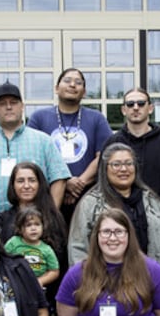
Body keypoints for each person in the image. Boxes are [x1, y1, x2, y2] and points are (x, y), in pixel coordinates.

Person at [0, 162, 69, 316]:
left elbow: (60, 261)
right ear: (12, 185)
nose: (26, 185)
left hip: (47, 298)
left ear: (40, 184)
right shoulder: (2, 218)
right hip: (11, 300)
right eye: (20, 180)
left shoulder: (53, 218)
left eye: (32, 180)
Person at [68, 142, 160, 284]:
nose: (123, 169)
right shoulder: (90, 204)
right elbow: (78, 249)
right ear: (105, 168)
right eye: (116, 164)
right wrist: (92, 287)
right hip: (107, 289)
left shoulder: (152, 201)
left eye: (128, 163)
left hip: (151, 285)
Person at [0, 81, 71, 213]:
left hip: (33, 226)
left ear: (22, 106)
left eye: (13, 102)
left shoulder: (43, 141)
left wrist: (49, 216)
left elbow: (59, 178)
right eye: (2, 104)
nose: (8, 107)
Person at [27, 68, 113, 218]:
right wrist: (63, 182)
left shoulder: (96, 118)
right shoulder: (39, 118)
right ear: (56, 88)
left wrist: (79, 183)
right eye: (67, 81)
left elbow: (104, 156)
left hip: (88, 196)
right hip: (48, 197)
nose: (72, 85)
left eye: (78, 82)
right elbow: (32, 157)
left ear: (84, 92)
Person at [103, 87, 160, 222]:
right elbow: (103, 181)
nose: (135, 107)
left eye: (141, 103)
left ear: (150, 108)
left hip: (156, 218)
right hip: (119, 219)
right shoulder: (113, 142)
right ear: (123, 110)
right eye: (130, 104)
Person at [4, 207, 60, 288]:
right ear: (20, 229)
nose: (33, 228)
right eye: (28, 225)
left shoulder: (46, 249)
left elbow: (54, 271)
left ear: (43, 227)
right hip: (16, 284)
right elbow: (3, 260)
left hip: (36, 287)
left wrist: (40, 281)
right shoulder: (13, 243)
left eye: (37, 224)